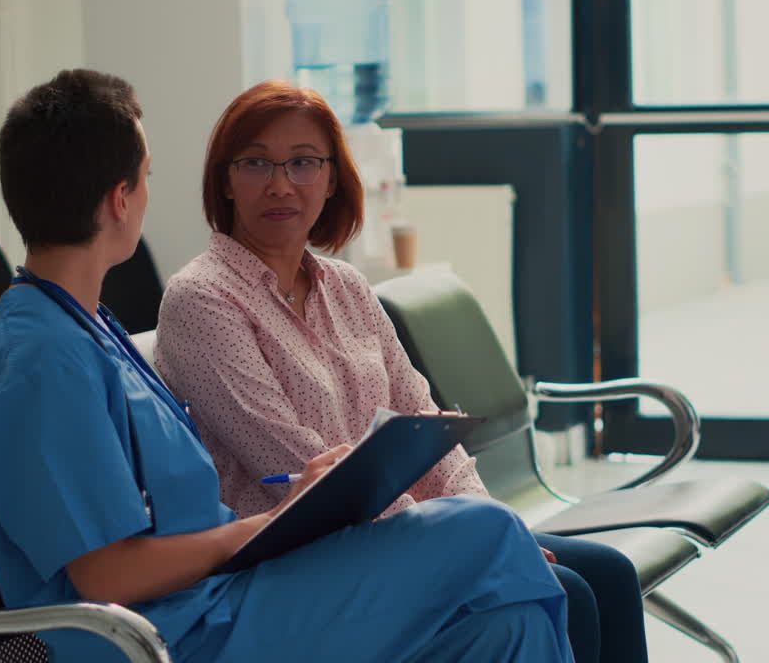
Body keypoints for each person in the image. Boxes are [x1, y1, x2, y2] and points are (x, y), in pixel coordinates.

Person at [0, 69, 573, 663]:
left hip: (218, 599)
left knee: (510, 628)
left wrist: (283, 514)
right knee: (483, 531)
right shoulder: (42, 358)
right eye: (147, 175)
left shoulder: (85, 329)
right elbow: (107, 576)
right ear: (119, 200)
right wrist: (269, 522)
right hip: (172, 633)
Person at [154, 80, 649, 663]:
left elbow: (422, 422)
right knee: (571, 594)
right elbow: (297, 473)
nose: (281, 184)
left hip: (402, 535)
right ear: (226, 180)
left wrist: (486, 523)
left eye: (304, 162)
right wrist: (456, 544)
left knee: (610, 575)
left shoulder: (346, 287)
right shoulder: (203, 298)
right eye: (257, 163)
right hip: (296, 568)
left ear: (333, 179)